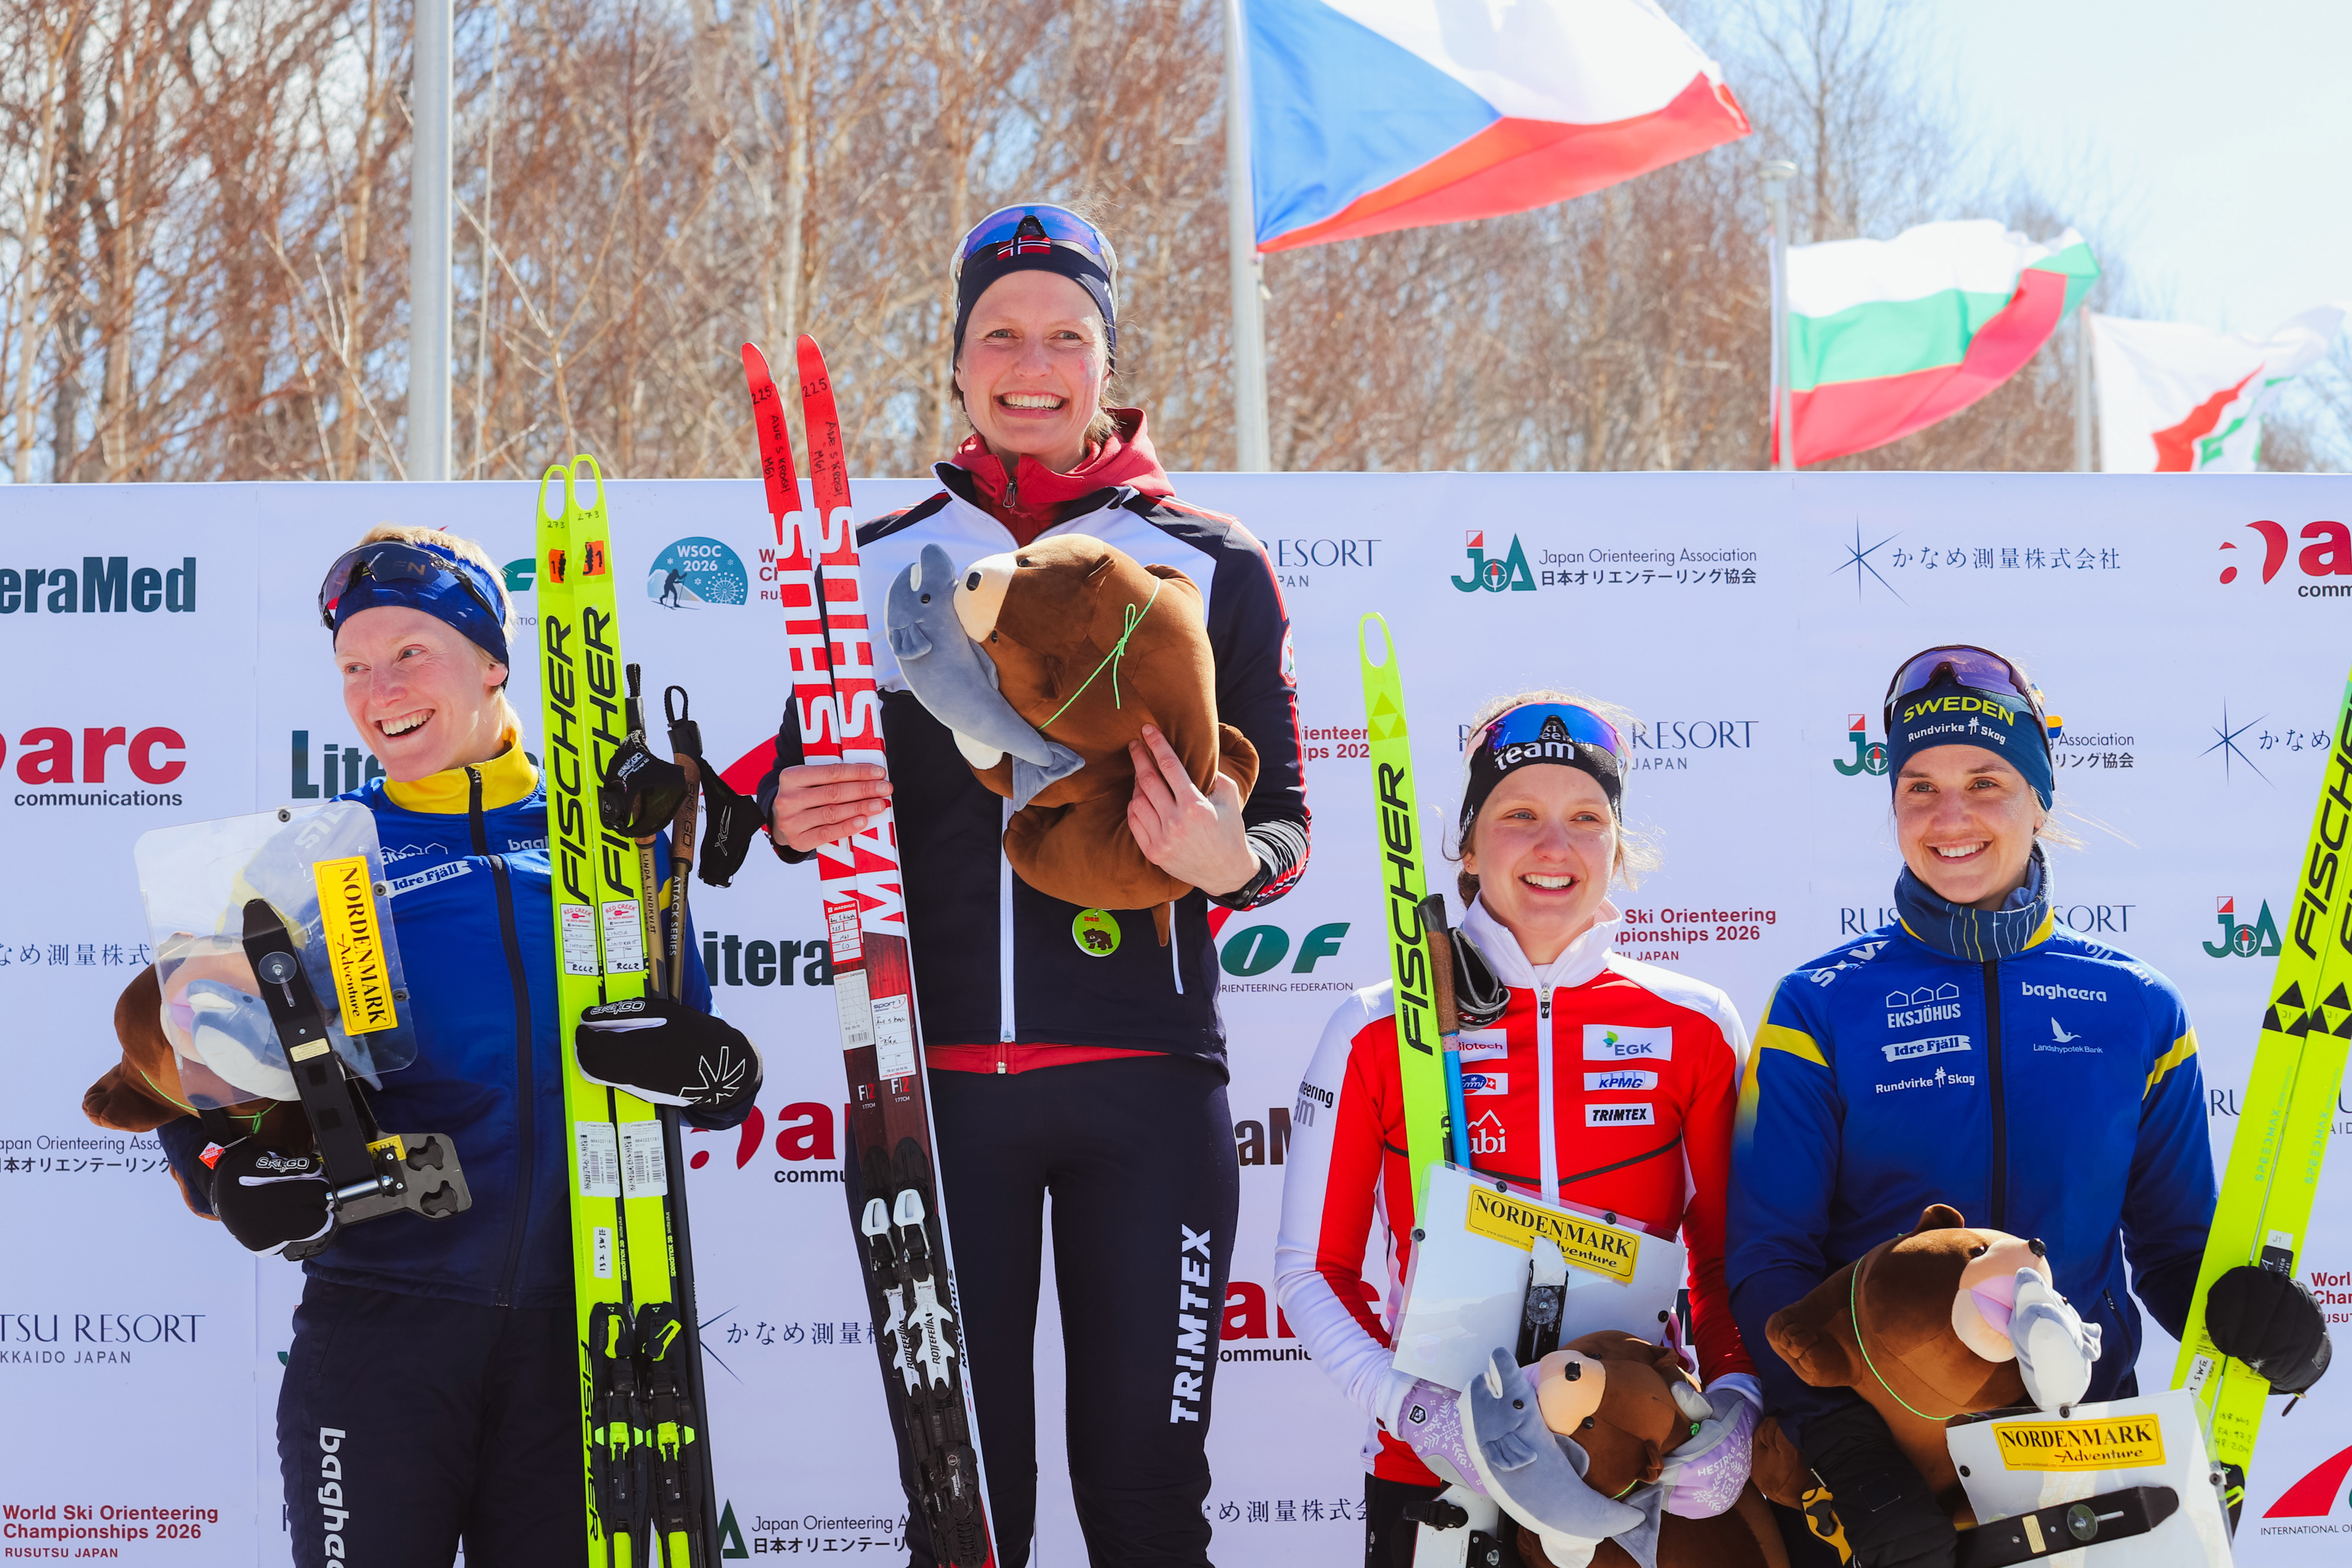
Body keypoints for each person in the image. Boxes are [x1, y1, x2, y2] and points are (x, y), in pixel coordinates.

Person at [757, 202, 1309, 1568]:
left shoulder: (1209, 555)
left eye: (1066, 334)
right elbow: (790, 779)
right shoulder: (870, 557)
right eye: (999, 332)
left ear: (1103, 359)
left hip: (1147, 1091)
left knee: (1141, 1504)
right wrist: (780, 808)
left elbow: (1286, 828)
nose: (1031, 361)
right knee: (961, 1517)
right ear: (955, 361)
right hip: (926, 1095)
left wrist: (1227, 861)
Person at [136, 524, 760, 1567]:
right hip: (384, 1321)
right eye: (352, 668)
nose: (379, 689)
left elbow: (690, 1055)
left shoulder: (609, 838)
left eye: (409, 653)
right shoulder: (306, 861)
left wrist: (718, 1072)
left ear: (493, 661)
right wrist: (231, 1169)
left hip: (590, 1322)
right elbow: (202, 1092)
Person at [1730, 644, 2334, 1568]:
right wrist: (1844, 1452)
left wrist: (2255, 1318)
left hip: (2080, 1461)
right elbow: (1770, 1261)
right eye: (1919, 787)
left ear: (2041, 797)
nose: (1952, 816)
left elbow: (2173, 1253)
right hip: (1889, 1473)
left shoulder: (2138, 1005)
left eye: (1987, 780)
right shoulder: (1820, 1004)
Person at [1275, 693, 1758, 1566]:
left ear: (1618, 848)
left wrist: (1734, 1403)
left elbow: (1729, 1261)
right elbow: (1314, 1273)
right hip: (1432, 1476)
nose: (1554, 847)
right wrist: (1414, 1408)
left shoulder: (1694, 1024)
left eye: (1586, 818)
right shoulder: (1377, 1028)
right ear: (1467, 843)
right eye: (1519, 816)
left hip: (1632, 1461)